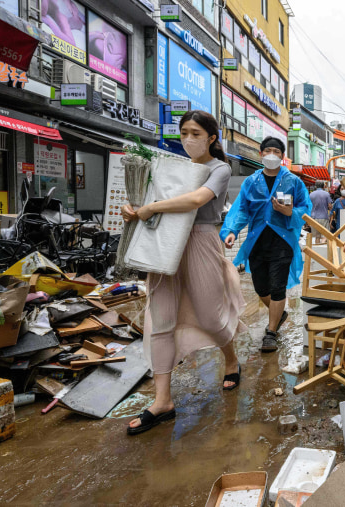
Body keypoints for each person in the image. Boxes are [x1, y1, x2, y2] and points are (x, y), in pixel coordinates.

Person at [121, 110, 246, 435]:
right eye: (184, 133)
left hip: (201, 243)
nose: (188, 139)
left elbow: (196, 199)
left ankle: (230, 359)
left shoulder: (219, 168)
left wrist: (153, 208)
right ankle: (162, 401)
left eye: (196, 133)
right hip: (162, 241)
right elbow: (147, 200)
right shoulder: (169, 167)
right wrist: (134, 209)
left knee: (209, 315)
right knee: (160, 318)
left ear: (212, 138)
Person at [221, 137, 311, 353]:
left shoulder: (294, 182)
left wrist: (290, 212)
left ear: (282, 156)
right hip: (257, 241)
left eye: (276, 151)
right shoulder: (250, 182)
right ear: (261, 154)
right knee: (261, 287)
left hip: (283, 241)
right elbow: (241, 209)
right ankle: (279, 313)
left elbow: (304, 208)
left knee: (277, 285)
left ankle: (270, 333)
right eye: (267, 150)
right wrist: (231, 230)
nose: (272, 154)